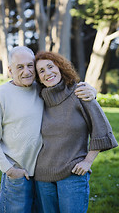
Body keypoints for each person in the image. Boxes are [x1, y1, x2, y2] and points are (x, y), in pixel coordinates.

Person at [0, 46, 97, 213]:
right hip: (18, 173)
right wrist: (9, 169)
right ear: (10, 70)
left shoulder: (41, 89)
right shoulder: (0, 95)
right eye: (20, 67)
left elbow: (67, 91)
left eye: (30, 65)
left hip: (43, 174)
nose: (27, 71)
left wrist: (92, 91)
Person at [34, 51, 118, 213]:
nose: (47, 73)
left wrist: (87, 162)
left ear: (60, 67)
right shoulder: (37, 100)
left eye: (50, 66)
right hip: (42, 177)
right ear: (38, 78)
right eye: (41, 71)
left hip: (72, 174)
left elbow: (102, 129)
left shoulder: (79, 93)